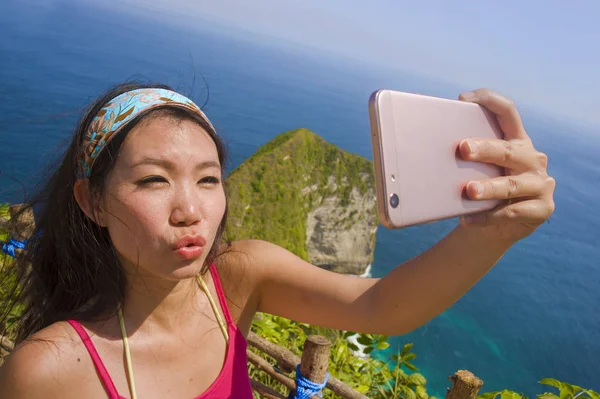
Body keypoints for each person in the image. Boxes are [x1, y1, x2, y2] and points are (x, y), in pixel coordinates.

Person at [0, 83, 555, 398]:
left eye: (209, 178)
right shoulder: (48, 371)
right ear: (91, 201)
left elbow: (384, 305)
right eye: (153, 179)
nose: (191, 209)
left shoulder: (239, 276)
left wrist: (495, 232)